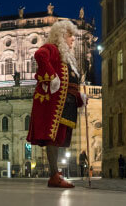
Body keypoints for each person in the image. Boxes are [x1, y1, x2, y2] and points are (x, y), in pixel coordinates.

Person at [26, 21, 87, 188]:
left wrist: (79, 96)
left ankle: (55, 173)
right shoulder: (52, 48)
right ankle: (54, 175)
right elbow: (39, 55)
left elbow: (70, 81)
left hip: (66, 103)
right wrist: (52, 76)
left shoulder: (66, 57)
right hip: (53, 103)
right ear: (60, 36)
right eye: (69, 35)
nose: (73, 39)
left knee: (59, 138)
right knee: (52, 138)